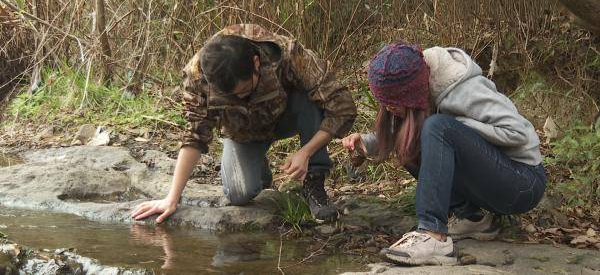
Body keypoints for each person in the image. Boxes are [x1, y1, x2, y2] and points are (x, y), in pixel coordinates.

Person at [342, 42, 546, 266]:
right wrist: (367, 143)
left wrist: (454, 127)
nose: (390, 109)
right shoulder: (420, 89)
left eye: (394, 104)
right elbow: (407, 131)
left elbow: (519, 133)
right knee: (418, 135)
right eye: (386, 104)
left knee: (436, 128)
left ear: (413, 90)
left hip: (523, 182)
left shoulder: (464, 88)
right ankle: (475, 219)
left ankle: (433, 236)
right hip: (492, 181)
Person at [132, 24, 357, 222]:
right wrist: (171, 199)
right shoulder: (198, 77)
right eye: (232, 96)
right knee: (239, 194)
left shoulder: (287, 54)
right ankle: (259, 170)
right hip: (243, 132)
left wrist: (307, 152)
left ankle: (314, 183)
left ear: (256, 63)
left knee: (312, 99)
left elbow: (342, 107)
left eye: (244, 90)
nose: (240, 98)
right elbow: (195, 136)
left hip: (287, 115)